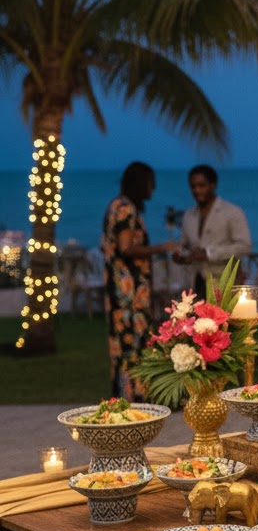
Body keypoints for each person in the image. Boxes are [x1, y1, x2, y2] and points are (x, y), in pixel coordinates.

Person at [100, 162, 179, 399]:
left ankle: (131, 396)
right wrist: (162, 248)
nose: (152, 191)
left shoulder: (117, 206)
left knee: (128, 346)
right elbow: (126, 248)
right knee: (132, 347)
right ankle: (133, 398)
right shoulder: (124, 208)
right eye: (150, 184)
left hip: (123, 293)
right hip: (128, 295)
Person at [178, 164, 251, 292]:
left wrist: (209, 253)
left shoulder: (232, 212)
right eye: (193, 186)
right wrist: (181, 256)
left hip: (224, 283)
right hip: (195, 283)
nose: (197, 190)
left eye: (202, 186)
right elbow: (184, 245)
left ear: (213, 185)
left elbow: (244, 246)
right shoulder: (188, 215)